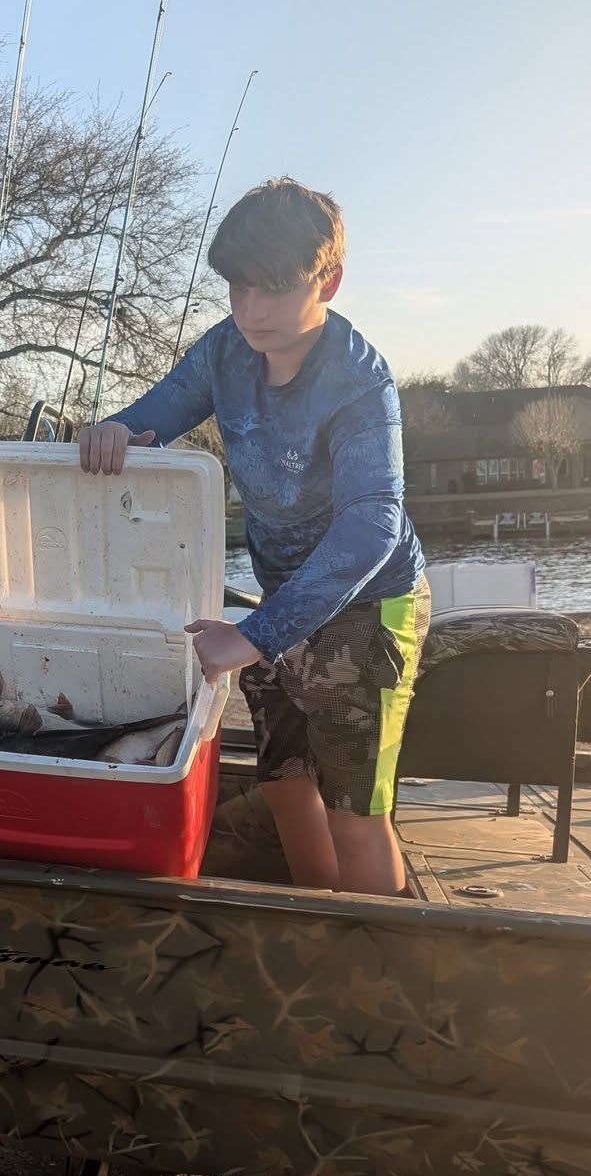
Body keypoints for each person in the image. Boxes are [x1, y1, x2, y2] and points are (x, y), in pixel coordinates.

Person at [79, 177, 427, 897]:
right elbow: (154, 415)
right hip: (278, 605)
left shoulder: (361, 381)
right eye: (238, 288)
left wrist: (254, 635)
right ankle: (314, 930)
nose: (251, 310)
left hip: (372, 605)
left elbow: (373, 524)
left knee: (355, 814)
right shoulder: (224, 351)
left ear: (328, 281)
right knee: (285, 786)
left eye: (274, 288)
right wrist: (113, 430)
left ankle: (375, 957)